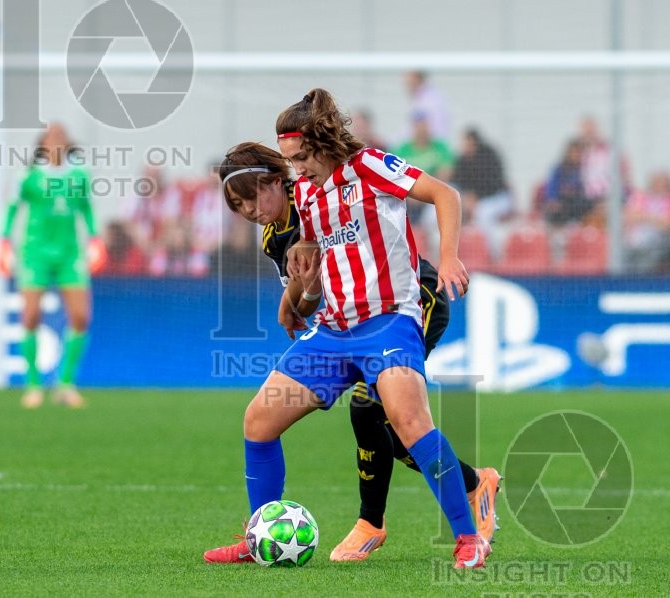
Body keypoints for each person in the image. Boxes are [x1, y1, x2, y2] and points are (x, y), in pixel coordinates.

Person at [204, 88, 490, 569]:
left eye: (300, 159)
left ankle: (467, 538)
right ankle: (260, 538)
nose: (295, 170)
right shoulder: (310, 196)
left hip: (388, 322)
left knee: (408, 420)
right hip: (334, 333)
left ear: (320, 144)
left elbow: (445, 194)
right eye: (290, 162)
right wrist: (302, 290)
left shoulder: (370, 166)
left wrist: (447, 256)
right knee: (258, 420)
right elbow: (313, 268)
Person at [0, 123, 107, 408]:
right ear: (43, 143)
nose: (57, 140)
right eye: (52, 136)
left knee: (81, 317)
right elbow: (12, 207)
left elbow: (86, 208)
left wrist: (95, 239)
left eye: (62, 136)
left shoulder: (79, 173)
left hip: (70, 255)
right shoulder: (29, 175)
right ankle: (33, 385)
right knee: (31, 315)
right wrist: (4, 241)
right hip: (35, 254)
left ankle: (65, 384)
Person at [450, 128, 512, 256]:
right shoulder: (463, 159)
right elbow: (458, 181)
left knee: (483, 214)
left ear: (473, 142)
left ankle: (491, 255)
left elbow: (494, 184)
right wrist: (467, 197)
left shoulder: (489, 156)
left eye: (466, 142)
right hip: (475, 199)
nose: (463, 146)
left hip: (497, 197)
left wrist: (476, 198)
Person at [542, 139, 595, 226]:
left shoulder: (586, 169)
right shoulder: (560, 169)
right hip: (564, 203)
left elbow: (589, 189)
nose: (576, 155)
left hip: (580, 203)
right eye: (574, 152)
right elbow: (552, 188)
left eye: (579, 153)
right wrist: (553, 200)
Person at [402, 70, 452, 143]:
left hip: (432, 147)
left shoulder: (431, 101)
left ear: (417, 79)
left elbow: (438, 130)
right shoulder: (418, 99)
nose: (406, 84)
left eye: (409, 81)